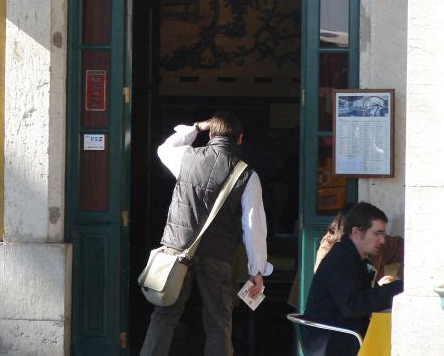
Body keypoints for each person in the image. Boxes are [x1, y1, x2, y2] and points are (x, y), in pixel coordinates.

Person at [140, 111, 272, 356]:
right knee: (218, 322)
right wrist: (257, 270)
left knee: (165, 315)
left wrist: (196, 127)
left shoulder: (186, 158)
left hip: (176, 250)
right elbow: (253, 228)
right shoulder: (247, 175)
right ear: (240, 139)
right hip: (217, 255)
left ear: (211, 135)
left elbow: (164, 148)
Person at [301, 202, 403, 356]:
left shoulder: (352, 257)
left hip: (345, 336)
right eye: (377, 233)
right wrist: (400, 288)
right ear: (356, 232)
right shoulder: (340, 260)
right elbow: (355, 305)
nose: (382, 240)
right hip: (333, 344)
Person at [314, 202, 404, 283]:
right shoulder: (331, 253)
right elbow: (349, 294)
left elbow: (405, 249)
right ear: (355, 231)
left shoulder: (374, 241)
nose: (382, 240)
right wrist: (380, 288)